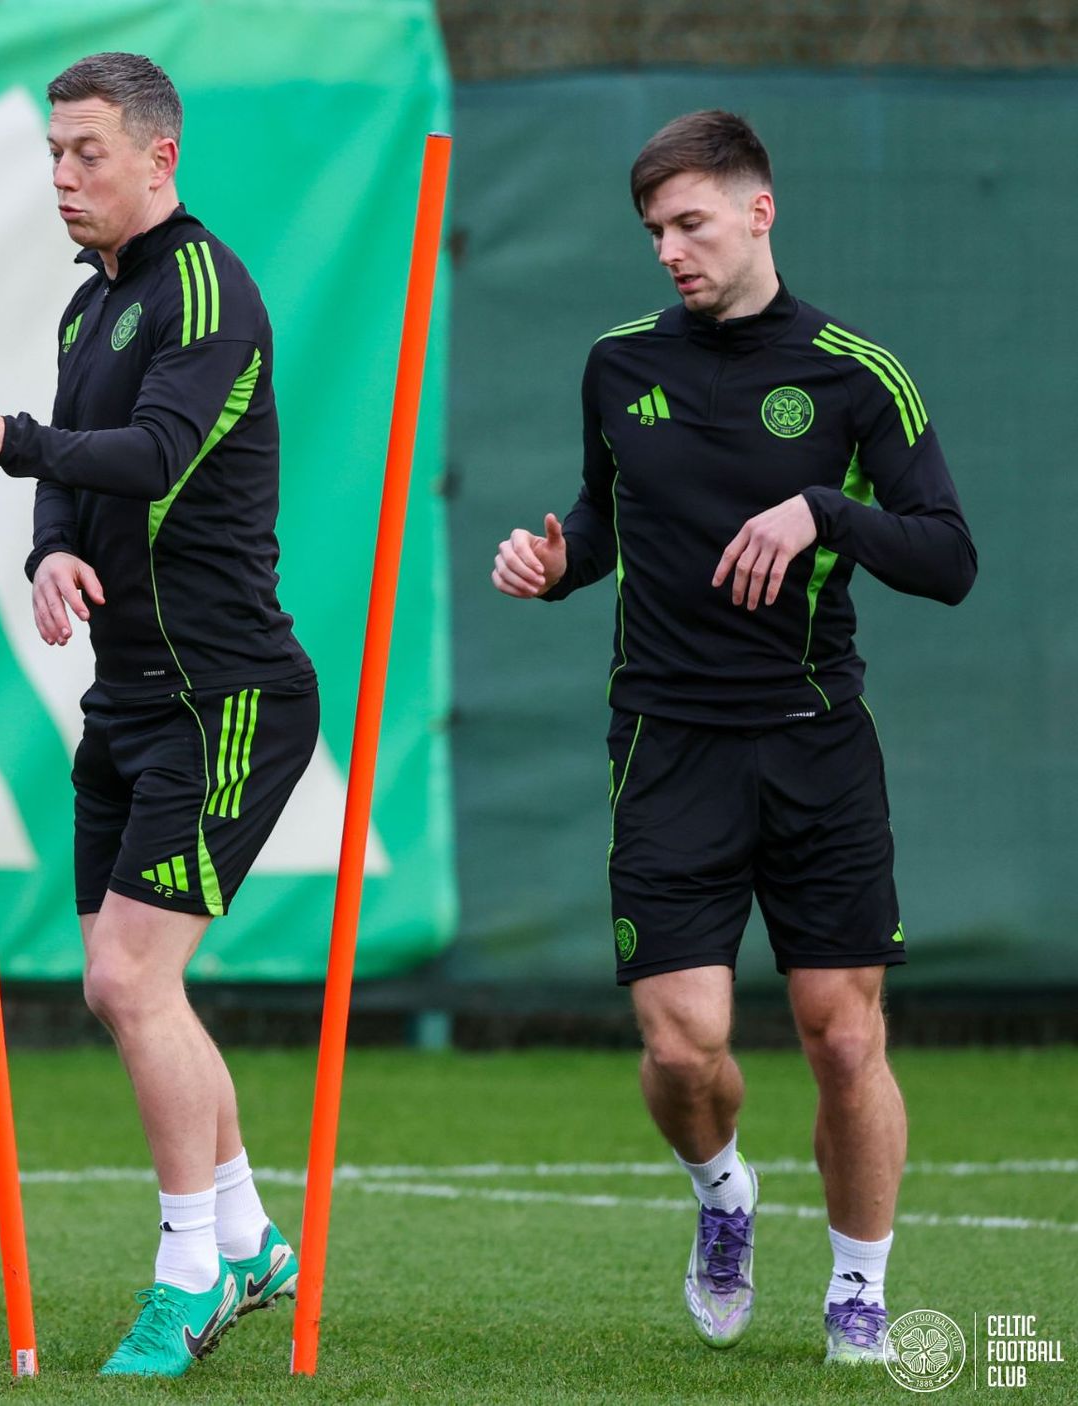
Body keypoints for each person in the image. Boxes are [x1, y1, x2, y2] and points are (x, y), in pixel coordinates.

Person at [492, 110, 975, 1364]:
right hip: (665, 744)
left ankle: (860, 1284)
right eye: (655, 231)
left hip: (817, 745)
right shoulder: (615, 365)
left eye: (691, 223)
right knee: (682, 1042)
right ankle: (724, 1200)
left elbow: (950, 557)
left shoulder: (858, 375)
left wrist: (824, 509)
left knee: (843, 1031)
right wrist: (554, 566)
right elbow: (599, 522)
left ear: (761, 210)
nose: (670, 251)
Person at [0, 51, 313, 1378]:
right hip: (126, 695)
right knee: (121, 986)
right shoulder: (94, 310)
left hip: (224, 694)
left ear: (157, 156)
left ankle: (190, 1266)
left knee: (134, 976)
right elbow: (83, 475)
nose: (63, 178)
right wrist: (47, 551)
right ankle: (246, 1237)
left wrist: (5, 439)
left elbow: (154, 455)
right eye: (53, 155)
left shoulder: (204, 290)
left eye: (86, 153)